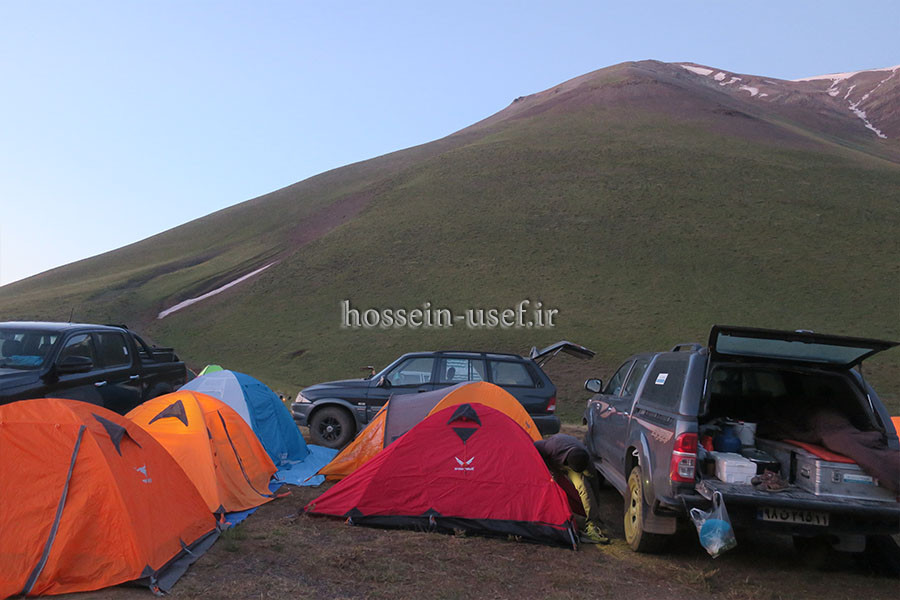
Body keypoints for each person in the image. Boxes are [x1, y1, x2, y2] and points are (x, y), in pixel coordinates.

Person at [534, 434, 609, 544]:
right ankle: (548, 512)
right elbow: (535, 447)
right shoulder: (550, 447)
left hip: (571, 458)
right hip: (554, 459)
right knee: (552, 484)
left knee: (584, 487)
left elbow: (594, 485)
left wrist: (595, 514)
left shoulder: (586, 459)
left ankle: (591, 523)